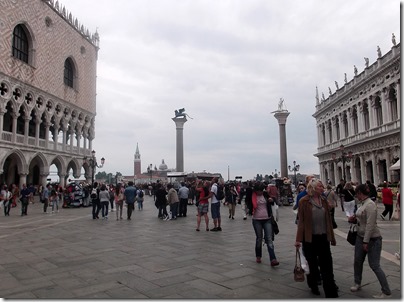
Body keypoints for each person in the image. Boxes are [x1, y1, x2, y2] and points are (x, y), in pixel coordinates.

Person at [295, 178, 338, 298]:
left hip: (323, 237)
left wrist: (332, 237)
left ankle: (330, 290)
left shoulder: (323, 200)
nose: (322, 188)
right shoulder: (304, 201)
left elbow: (328, 220)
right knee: (312, 265)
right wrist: (298, 240)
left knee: (327, 265)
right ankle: (313, 285)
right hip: (310, 238)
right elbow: (301, 222)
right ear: (313, 188)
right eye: (320, 186)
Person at [348, 184, 392, 298]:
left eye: (356, 193)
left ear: (359, 193)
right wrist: (354, 219)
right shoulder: (362, 203)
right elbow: (362, 219)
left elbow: (370, 225)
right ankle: (357, 282)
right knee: (357, 261)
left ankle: (386, 291)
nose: (356, 196)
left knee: (374, 265)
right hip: (359, 236)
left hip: (372, 239)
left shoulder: (370, 205)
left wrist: (366, 242)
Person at [251, 183, 279, 266]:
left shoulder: (266, 195)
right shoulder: (252, 196)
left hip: (267, 219)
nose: (259, 192)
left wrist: (272, 200)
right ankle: (258, 255)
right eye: (258, 191)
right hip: (257, 219)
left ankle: (273, 259)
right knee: (259, 238)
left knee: (269, 239)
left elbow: (275, 201)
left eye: (261, 190)